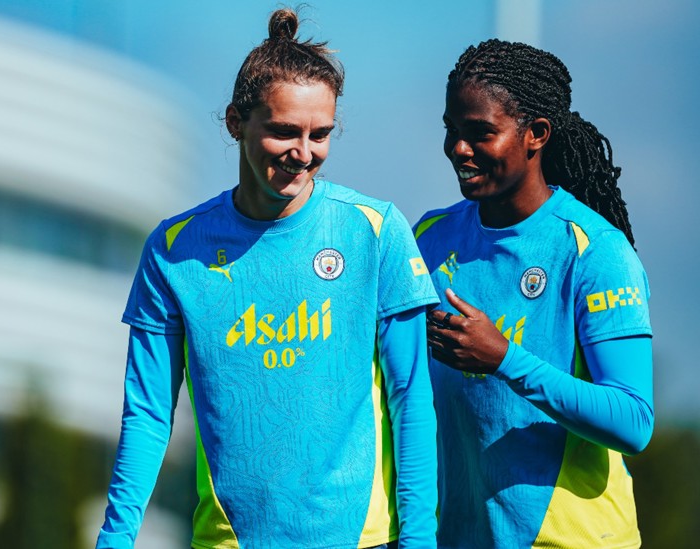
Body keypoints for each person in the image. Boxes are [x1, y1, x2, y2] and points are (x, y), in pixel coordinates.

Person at [96, 8, 439, 549]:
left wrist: (420, 540)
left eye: (321, 134)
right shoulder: (173, 249)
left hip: (361, 541)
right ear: (236, 122)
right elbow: (147, 414)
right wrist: (115, 539)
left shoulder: (375, 231)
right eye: (284, 132)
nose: (304, 154)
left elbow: (411, 397)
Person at [413, 39, 654, 548]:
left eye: (480, 133)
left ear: (536, 135)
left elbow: (634, 421)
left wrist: (502, 357)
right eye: (451, 131)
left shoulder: (595, 251)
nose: (459, 148)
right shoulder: (428, 239)